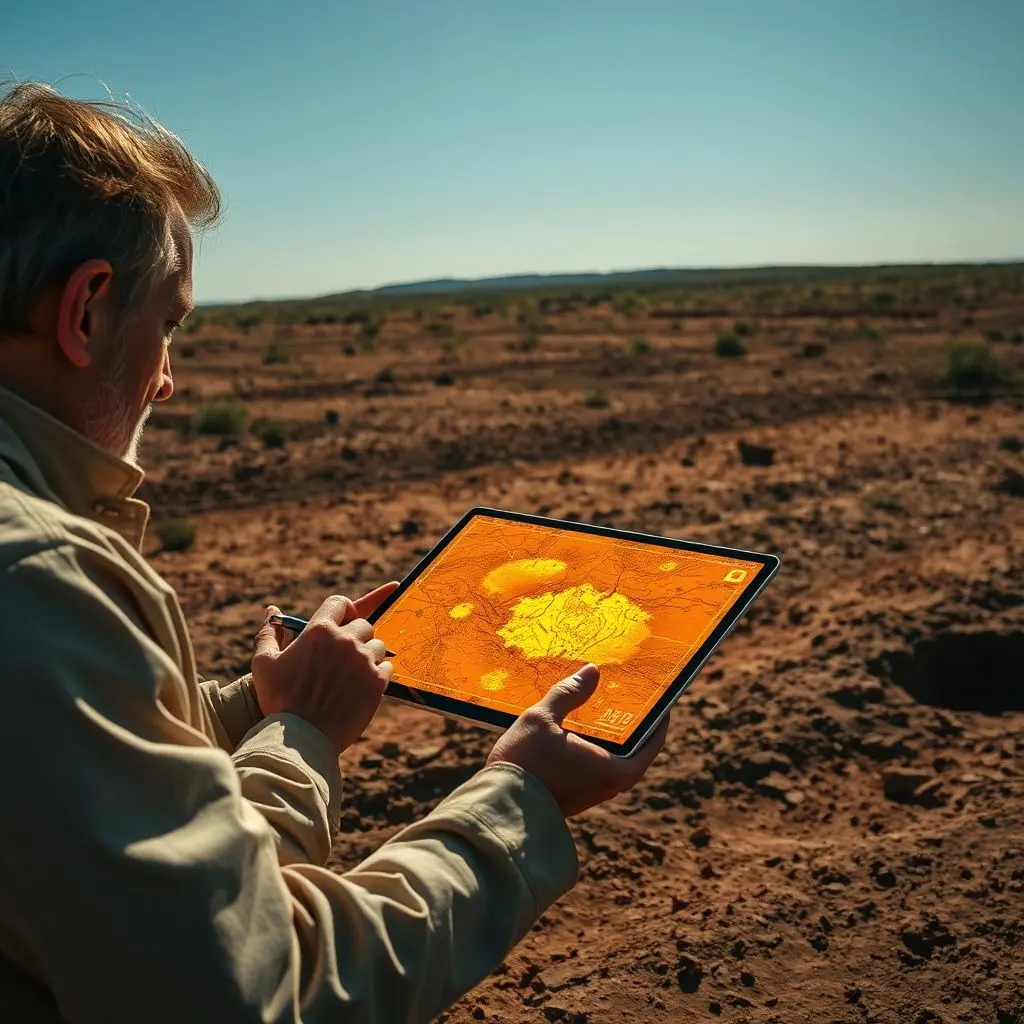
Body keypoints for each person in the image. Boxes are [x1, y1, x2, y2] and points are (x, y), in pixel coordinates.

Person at [0, 80, 670, 1023]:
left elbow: (56, 777)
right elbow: (245, 987)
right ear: (85, 312)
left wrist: (244, 709)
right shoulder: (37, 577)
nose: (167, 380)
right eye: (170, 323)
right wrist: (516, 799)